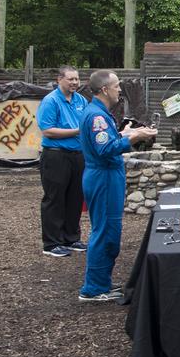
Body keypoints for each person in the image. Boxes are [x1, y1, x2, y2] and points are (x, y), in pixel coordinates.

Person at [77, 70, 156, 302]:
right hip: (103, 177)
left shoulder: (100, 113)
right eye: (116, 85)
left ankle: (102, 282)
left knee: (109, 230)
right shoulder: (97, 117)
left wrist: (128, 132)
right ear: (104, 90)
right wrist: (133, 138)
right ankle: (93, 289)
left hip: (106, 176)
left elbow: (107, 139)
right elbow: (105, 148)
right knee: (105, 232)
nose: (119, 89)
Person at [37, 66, 87, 258]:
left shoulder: (81, 100)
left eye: (77, 79)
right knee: (54, 198)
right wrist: (76, 131)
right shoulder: (51, 101)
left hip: (77, 155)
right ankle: (51, 243)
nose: (74, 83)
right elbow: (48, 130)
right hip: (56, 155)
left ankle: (71, 238)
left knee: (75, 197)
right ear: (60, 80)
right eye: (70, 79)